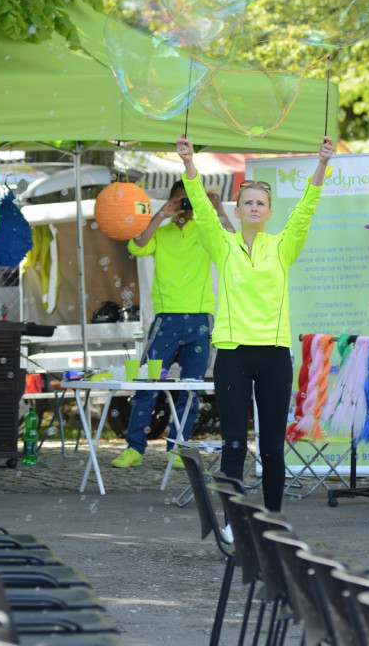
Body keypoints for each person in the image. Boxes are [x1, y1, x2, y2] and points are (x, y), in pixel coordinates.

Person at [176, 134, 335, 512]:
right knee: (233, 443)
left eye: (260, 203)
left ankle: (273, 525)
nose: (253, 207)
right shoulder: (222, 244)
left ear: (268, 212)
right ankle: (233, 525)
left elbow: (306, 209)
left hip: (275, 356)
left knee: (272, 449)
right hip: (232, 353)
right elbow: (200, 206)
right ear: (237, 209)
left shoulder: (283, 245)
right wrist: (189, 164)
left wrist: (322, 163)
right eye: (247, 202)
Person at [111, 179, 234, 470]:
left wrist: (217, 210)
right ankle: (135, 448)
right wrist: (162, 214)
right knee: (146, 383)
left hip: (200, 319)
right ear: (171, 200)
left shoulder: (206, 230)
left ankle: (178, 447)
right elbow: (138, 244)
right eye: (182, 200)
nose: (186, 207)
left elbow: (233, 242)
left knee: (190, 388)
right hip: (166, 318)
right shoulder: (162, 232)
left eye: (192, 200)